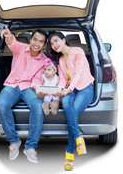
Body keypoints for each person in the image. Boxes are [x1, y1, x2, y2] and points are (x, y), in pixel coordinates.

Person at [0, 27, 47, 164]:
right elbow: (12, 42)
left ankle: (31, 147)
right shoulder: (21, 48)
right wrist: (8, 35)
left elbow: (38, 79)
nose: (37, 43)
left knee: (37, 106)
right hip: (12, 85)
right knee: (2, 104)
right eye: (35, 39)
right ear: (31, 40)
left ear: (44, 45)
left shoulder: (44, 60)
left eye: (41, 41)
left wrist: (38, 89)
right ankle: (14, 141)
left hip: (29, 88)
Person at [46, 31, 94, 171]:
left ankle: (70, 151)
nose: (54, 45)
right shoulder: (60, 60)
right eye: (51, 44)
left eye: (56, 41)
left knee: (71, 113)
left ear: (64, 40)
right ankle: (79, 138)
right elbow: (62, 79)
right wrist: (58, 90)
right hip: (69, 89)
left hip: (85, 88)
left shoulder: (78, 51)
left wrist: (68, 89)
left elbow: (78, 73)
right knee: (67, 104)